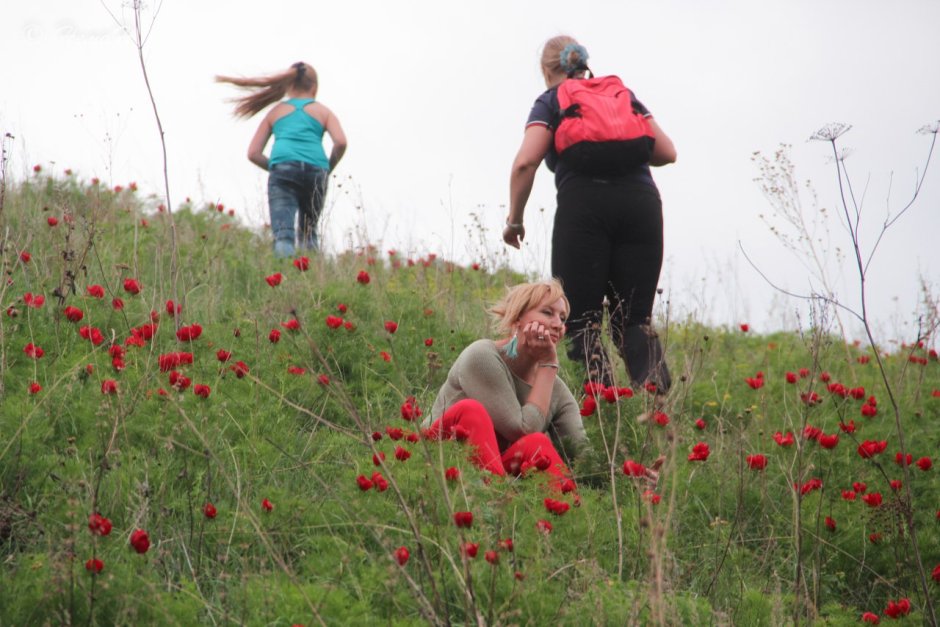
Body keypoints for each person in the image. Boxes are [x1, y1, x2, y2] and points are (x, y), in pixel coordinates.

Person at [502, 36, 676, 393]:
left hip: (585, 207)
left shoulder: (551, 101)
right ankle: (657, 414)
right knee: (634, 321)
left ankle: (603, 410)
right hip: (642, 205)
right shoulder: (622, 95)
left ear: (547, 70)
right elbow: (666, 152)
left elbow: (525, 162)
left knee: (580, 320)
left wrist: (514, 220)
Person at [421, 279, 586, 492]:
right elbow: (521, 429)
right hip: (436, 459)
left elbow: (582, 455)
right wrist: (548, 364)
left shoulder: (555, 387)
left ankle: (571, 514)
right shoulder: (482, 356)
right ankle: (501, 502)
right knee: (472, 411)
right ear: (518, 318)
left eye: (562, 318)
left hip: (492, 473)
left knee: (538, 445)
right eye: (547, 313)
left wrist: (627, 475)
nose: (558, 324)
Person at [216, 62, 347, 257]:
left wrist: (277, 167)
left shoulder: (276, 112)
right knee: (309, 234)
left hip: (282, 169)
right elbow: (341, 142)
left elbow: (253, 153)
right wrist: (327, 168)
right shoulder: (323, 112)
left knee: (283, 235)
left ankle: (283, 276)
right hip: (316, 171)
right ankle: (310, 279)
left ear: (288, 85)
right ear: (314, 87)